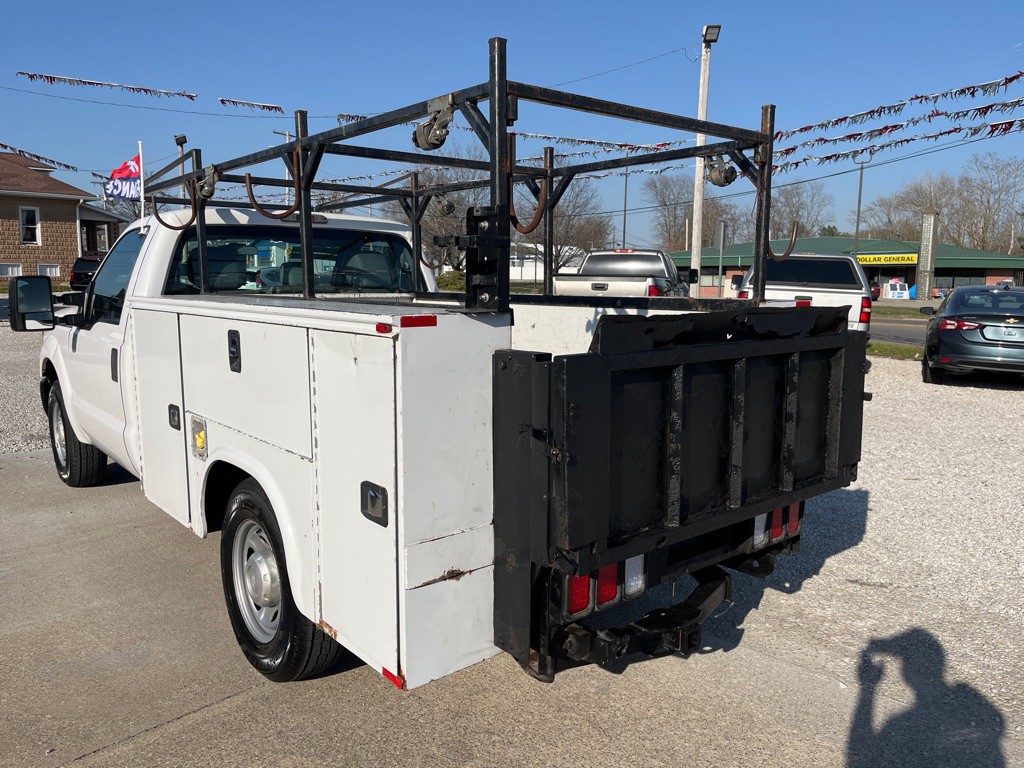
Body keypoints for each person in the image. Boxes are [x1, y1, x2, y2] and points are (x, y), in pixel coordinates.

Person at [847, 629, 1005, 767]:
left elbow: (859, 756)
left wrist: (868, 688)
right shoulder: (981, 712)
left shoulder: (986, 715)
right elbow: (858, 757)